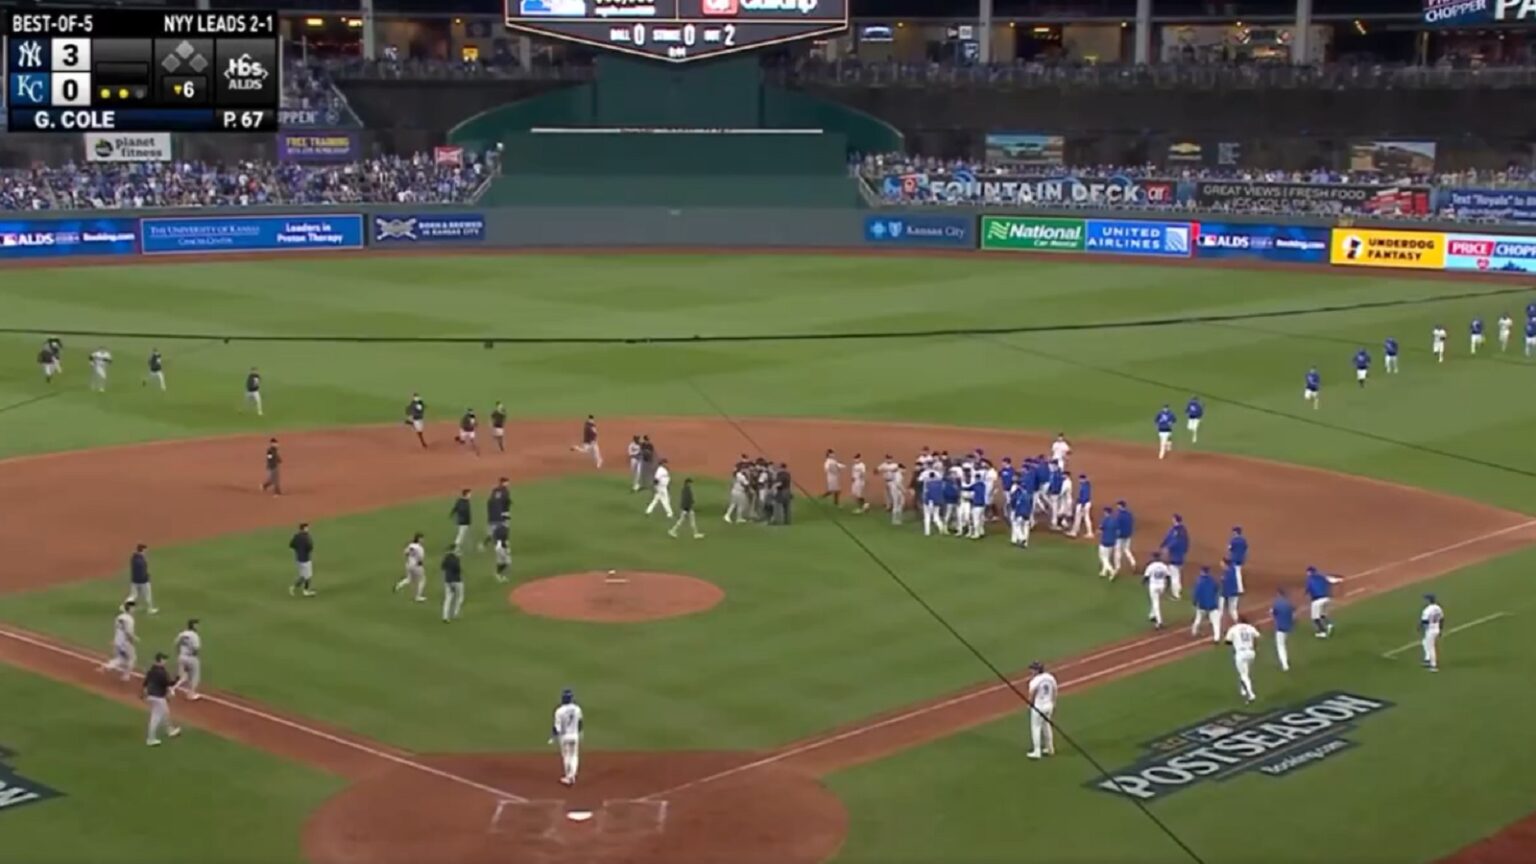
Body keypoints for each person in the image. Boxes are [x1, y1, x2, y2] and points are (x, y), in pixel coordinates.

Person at [142, 653, 183, 746]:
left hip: (151, 696)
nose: (165, 661)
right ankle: (151, 739)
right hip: (158, 697)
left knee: (165, 713)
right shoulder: (161, 672)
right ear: (160, 660)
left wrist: (144, 692)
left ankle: (170, 730)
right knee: (156, 718)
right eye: (164, 659)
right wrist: (177, 678)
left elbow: (146, 682)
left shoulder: (152, 669)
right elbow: (168, 683)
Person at [551, 688, 584, 786]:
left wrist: (553, 736)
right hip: (575, 735)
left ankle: (568, 777)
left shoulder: (559, 711)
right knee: (574, 756)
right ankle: (572, 776)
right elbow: (580, 722)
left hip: (564, 737)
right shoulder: (577, 709)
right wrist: (580, 732)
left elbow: (557, 727)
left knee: (566, 756)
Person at [98, 601, 138, 682]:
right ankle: (126, 675)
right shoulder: (130, 619)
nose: (135, 609)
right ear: (130, 609)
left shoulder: (119, 617)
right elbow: (128, 632)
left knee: (121, 658)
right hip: (125, 642)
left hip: (117, 641)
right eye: (133, 608)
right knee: (132, 658)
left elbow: (117, 629)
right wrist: (134, 638)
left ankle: (107, 666)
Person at [1025, 661, 1057, 760]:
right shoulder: (1050, 677)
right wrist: (1053, 702)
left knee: (1036, 728)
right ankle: (1050, 748)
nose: (1030, 671)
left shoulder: (1034, 681)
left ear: (1036, 670)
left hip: (1039, 707)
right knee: (1046, 726)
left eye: (1032, 669)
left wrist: (1030, 704)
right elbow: (1055, 690)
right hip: (1049, 705)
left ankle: (1037, 751)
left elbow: (1032, 693)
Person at [1226, 615, 1261, 704]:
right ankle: (1243, 690)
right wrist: (1254, 647)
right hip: (1251, 652)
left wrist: (1235, 643)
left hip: (1241, 653)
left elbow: (1227, 641)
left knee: (1243, 675)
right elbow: (1257, 636)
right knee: (1245, 672)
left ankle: (1251, 694)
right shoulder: (1250, 627)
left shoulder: (1234, 628)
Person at [1305, 566, 1343, 637]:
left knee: (1315, 618)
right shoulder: (1323, 577)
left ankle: (1322, 632)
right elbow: (1334, 580)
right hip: (1326, 598)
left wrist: (1306, 593)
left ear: (1309, 572)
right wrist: (1340, 580)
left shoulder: (1309, 579)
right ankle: (1329, 624)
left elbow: (1308, 589)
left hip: (1317, 600)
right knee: (1322, 614)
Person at [174, 619, 203, 700]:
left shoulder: (182, 634)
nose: (198, 627)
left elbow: (176, 644)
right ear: (194, 626)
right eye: (197, 625)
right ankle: (191, 694)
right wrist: (194, 658)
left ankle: (172, 688)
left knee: (184, 676)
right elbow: (196, 649)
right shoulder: (195, 636)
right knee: (194, 677)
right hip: (191, 657)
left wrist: (179, 654)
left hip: (181, 656)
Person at [125, 543, 158, 614]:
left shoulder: (134, 557)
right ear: (142, 550)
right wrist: (147, 576)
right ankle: (150, 609)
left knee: (133, 595)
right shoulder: (141, 560)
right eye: (145, 550)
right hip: (143, 581)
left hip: (134, 580)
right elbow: (142, 571)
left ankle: (127, 607)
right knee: (148, 595)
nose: (146, 551)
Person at [1191, 567, 1221, 642]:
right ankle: (1216, 638)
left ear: (1201, 572)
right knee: (1216, 623)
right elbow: (1217, 588)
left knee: (1198, 619)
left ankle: (1194, 632)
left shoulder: (1199, 581)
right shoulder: (1213, 580)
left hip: (1202, 605)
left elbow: (1196, 593)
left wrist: (1194, 602)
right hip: (1212, 605)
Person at [1143, 551, 1171, 629]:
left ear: (1154, 558)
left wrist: (1143, 583)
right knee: (1156, 600)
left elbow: (1146, 577)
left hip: (1154, 587)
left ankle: (1159, 622)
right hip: (1162, 586)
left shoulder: (1151, 566)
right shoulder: (1164, 566)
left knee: (1155, 603)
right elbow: (1168, 577)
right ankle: (1152, 615)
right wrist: (1168, 586)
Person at [395, 532, 428, 600]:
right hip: (416, 566)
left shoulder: (411, 545)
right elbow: (420, 559)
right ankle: (418, 596)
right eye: (422, 538)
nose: (423, 540)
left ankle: (399, 585)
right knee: (422, 580)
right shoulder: (420, 548)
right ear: (418, 539)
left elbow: (405, 553)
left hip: (409, 564)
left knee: (409, 579)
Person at [289, 523, 316, 597]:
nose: (308, 529)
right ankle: (306, 591)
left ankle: (293, 587)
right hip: (305, 559)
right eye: (306, 528)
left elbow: (291, 545)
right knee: (308, 576)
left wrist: (298, 550)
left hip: (298, 559)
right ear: (303, 529)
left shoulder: (296, 536)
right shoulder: (306, 537)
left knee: (303, 576)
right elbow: (310, 547)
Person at [1419, 593, 1444, 672]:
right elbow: (1442, 619)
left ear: (1428, 600)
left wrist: (1420, 627)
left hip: (1430, 630)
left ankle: (1433, 666)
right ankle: (1427, 659)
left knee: (1431, 647)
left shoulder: (1427, 610)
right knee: (1424, 642)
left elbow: (1424, 621)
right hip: (1436, 628)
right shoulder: (1438, 608)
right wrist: (1440, 629)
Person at [1271, 589, 1295, 672]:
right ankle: (1285, 661)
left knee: (1280, 646)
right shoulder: (1288, 603)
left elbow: (1274, 613)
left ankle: (1285, 664)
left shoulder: (1277, 603)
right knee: (1283, 644)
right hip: (1289, 627)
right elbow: (1293, 611)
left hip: (1280, 628)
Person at [441, 546, 464, 622]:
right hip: (456, 581)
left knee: (448, 598)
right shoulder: (455, 559)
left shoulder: (446, 558)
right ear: (453, 550)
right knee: (460, 597)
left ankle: (445, 616)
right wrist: (458, 559)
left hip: (447, 581)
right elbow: (458, 569)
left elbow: (442, 567)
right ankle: (455, 613)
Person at [1096, 507, 1119, 579]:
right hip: (1112, 542)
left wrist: (1096, 532)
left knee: (1103, 558)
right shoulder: (1115, 521)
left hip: (1104, 542)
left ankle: (1112, 571)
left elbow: (1100, 529)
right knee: (1107, 557)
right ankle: (1104, 572)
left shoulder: (1105, 520)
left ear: (1106, 512)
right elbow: (1117, 531)